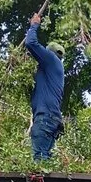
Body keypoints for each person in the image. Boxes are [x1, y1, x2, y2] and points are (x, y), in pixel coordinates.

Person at [25, 13, 65, 160]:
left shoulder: (50, 59)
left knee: (39, 161)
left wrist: (34, 25)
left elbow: (31, 43)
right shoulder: (55, 69)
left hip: (45, 119)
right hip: (52, 120)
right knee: (45, 161)